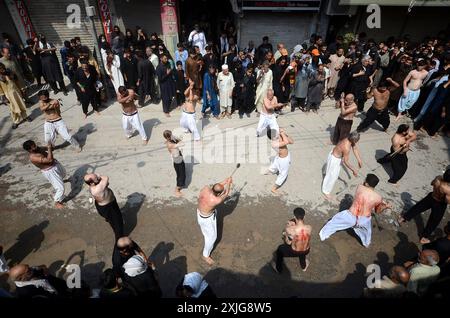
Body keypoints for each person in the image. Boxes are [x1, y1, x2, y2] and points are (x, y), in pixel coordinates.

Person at [319, 174, 390, 247]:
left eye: (365, 179)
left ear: (366, 183)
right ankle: (366, 243)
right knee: (367, 233)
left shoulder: (360, 187)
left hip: (350, 217)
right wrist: (385, 206)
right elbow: (377, 211)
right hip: (364, 220)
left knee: (333, 223)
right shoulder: (378, 198)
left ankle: (323, 235)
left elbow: (364, 189)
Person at [398, 169, 450, 244]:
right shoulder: (448, 189)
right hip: (440, 204)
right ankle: (424, 237)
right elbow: (447, 201)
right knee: (434, 221)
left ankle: (403, 218)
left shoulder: (438, 178)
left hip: (431, 197)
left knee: (417, 208)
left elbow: (432, 183)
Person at [197, 177, 233, 265]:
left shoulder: (205, 188)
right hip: (207, 219)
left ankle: (206, 235)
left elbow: (216, 187)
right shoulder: (216, 200)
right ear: (219, 193)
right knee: (212, 238)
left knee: (206, 231)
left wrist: (224, 181)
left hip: (199, 213)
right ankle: (205, 255)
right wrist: (228, 184)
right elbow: (226, 193)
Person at [23, 140, 67, 209]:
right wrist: (49, 148)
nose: (36, 146)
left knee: (63, 173)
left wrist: (50, 145)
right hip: (50, 171)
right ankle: (57, 201)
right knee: (61, 188)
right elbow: (49, 160)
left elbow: (50, 149)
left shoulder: (38, 148)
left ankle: (59, 181)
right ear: (29, 150)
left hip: (55, 164)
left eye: (35, 144)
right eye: (33, 146)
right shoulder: (33, 157)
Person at [322, 132, 362, 200]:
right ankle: (326, 191)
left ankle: (326, 188)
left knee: (332, 175)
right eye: (356, 141)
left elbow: (354, 148)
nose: (356, 142)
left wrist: (359, 160)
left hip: (336, 157)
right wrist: (353, 170)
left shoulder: (349, 138)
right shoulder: (346, 147)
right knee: (332, 176)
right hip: (334, 160)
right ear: (354, 140)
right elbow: (346, 161)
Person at [84, 173, 124, 240]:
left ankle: (108, 218)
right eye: (96, 178)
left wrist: (97, 178)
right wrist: (98, 176)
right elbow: (106, 177)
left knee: (111, 218)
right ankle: (119, 243)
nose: (98, 177)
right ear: (92, 183)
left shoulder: (95, 185)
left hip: (108, 203)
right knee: (118, 225)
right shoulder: (97, 189)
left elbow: (106, 183)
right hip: (108, 208)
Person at [271, 207, 311, 273]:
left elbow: (288, 243)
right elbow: (302, 233)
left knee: (280, 249)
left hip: (295, 251)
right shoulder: (309, 227)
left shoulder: (290, 229)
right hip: (306, 250)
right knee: (302, 251)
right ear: (304, 216)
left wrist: (286, 234)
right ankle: (304, 267)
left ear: (294, 216)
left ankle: (278, 268)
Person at [0, 63, 31, 129]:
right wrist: (3, 97)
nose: (1, 69)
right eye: (0, 68)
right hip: (8, 94)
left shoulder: (10, 72)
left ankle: (25, 116)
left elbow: (17, 81)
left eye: (2, 68)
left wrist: (21, 89)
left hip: (16, 91)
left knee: (21, 104)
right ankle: (16, 121)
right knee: (13, 108)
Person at [265, 129, 293, 194]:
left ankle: (270, 171)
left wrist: (285, 134)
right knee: (283, 174)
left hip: (282, 157)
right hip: (283, 160)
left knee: (275, 164)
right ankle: (273, 188)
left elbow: (291, 142)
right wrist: (282, 133)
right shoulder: (274, 144)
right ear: (273, 137)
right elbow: (286, 142)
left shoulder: (279, 137)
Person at [163, 130, 186, 197]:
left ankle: (179, 186)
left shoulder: (170, 141)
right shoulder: (170, 144)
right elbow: (182, 143)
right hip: (177, 160)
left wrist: (175, 138)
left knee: (181, 172)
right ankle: (177, 190)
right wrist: (176, 138)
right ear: (168, 137)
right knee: (181, 174)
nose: (172, 136)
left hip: (178, 157)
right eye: (171, 135)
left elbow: (179, 140)